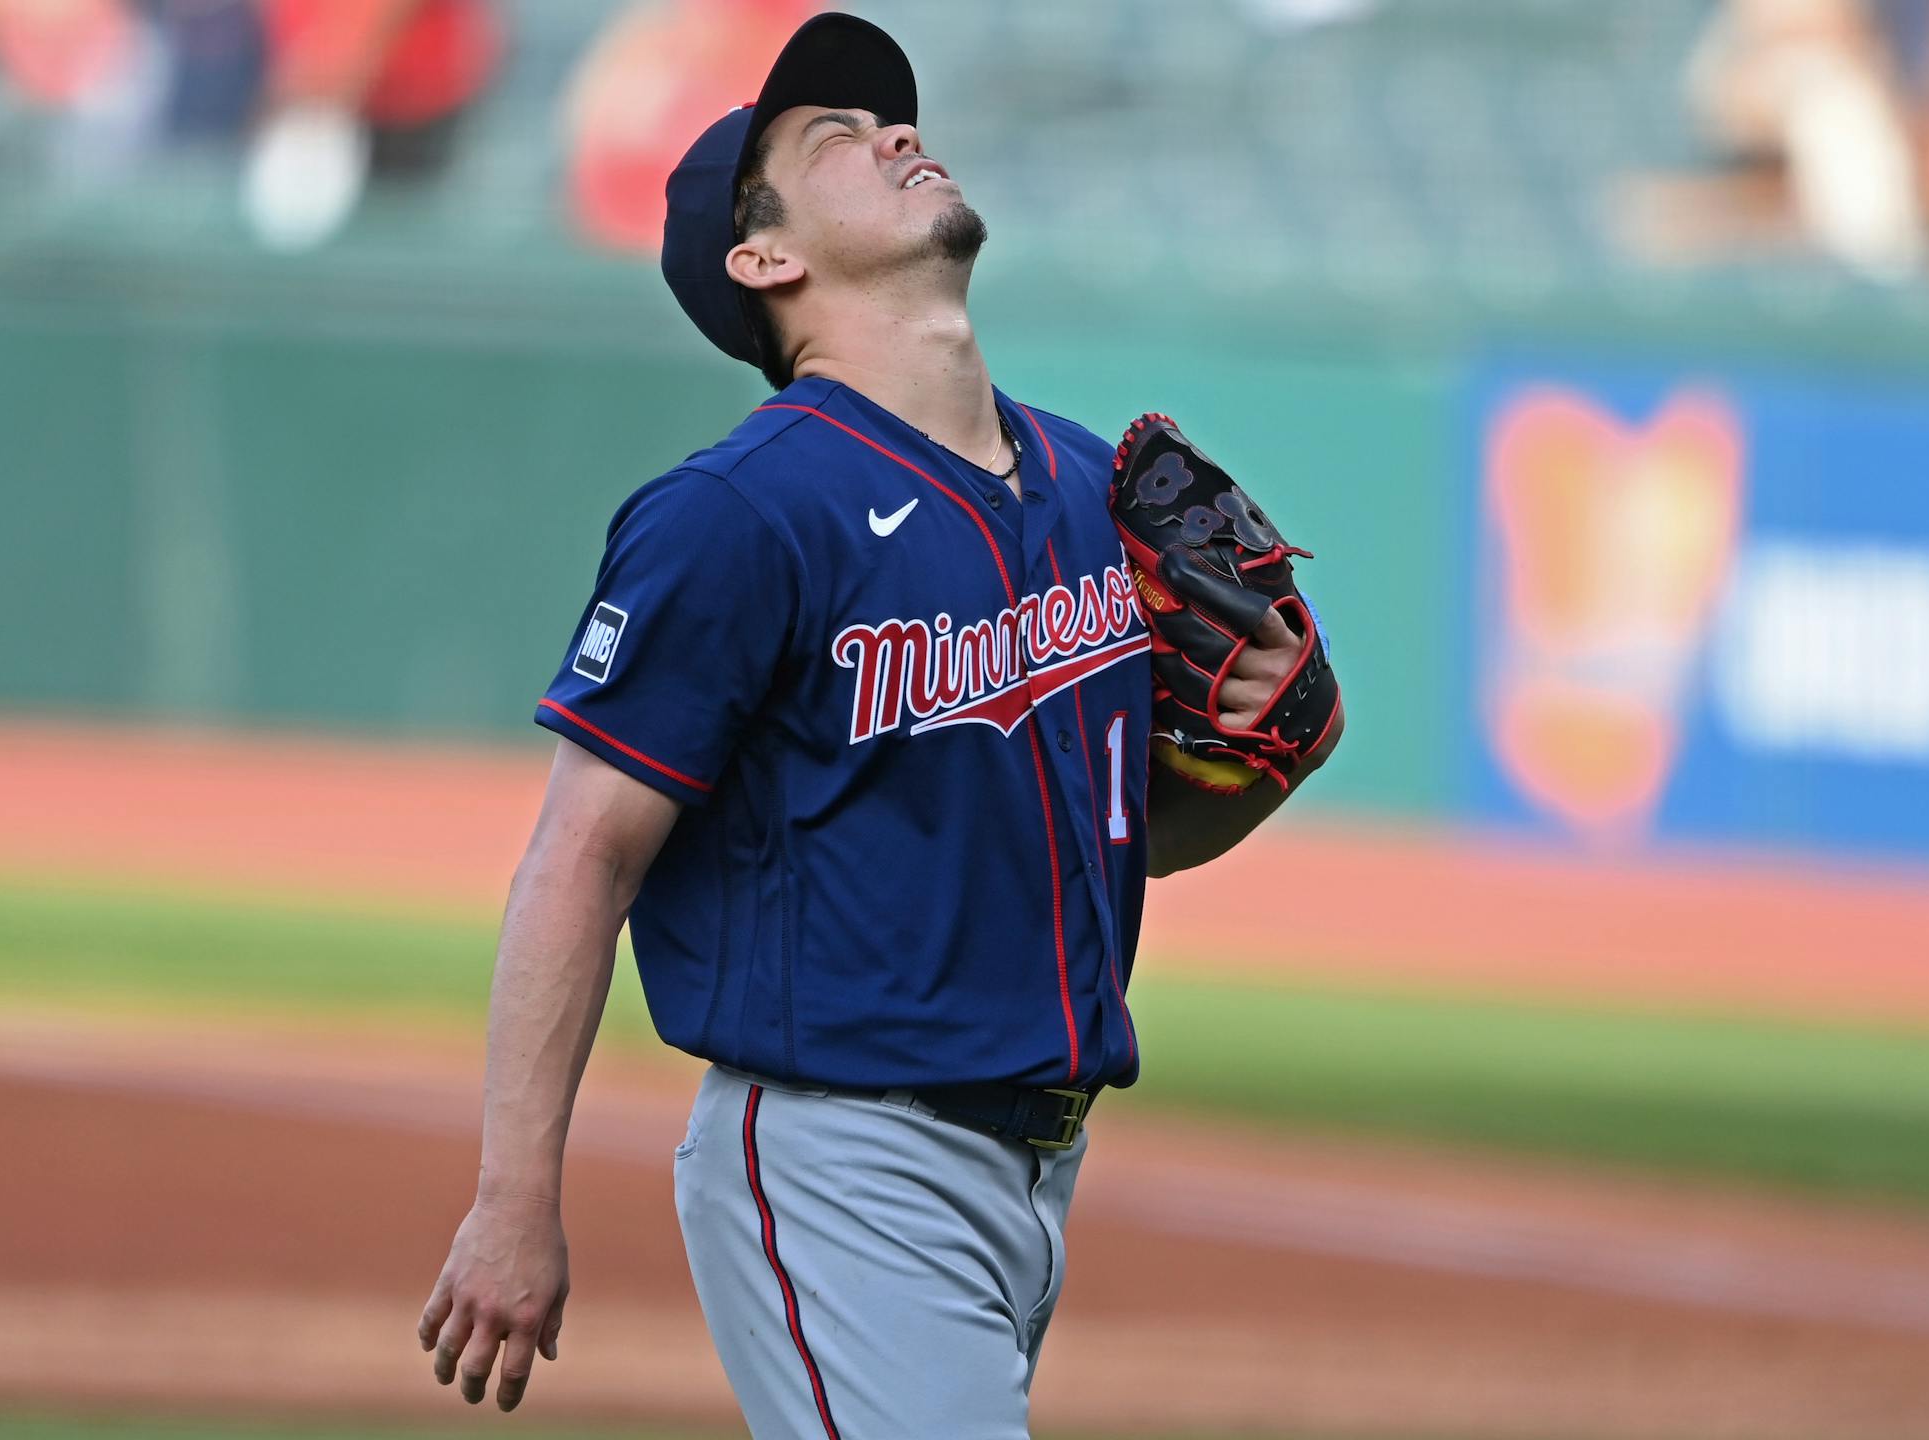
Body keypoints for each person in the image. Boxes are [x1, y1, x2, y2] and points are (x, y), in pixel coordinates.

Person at [415, 14, 1343, 1438]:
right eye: (835, 140)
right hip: (845, 1159)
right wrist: (509, 1201)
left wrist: (1270, 764)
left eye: (892, 121)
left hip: (1035, 1170)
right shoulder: (740, 513)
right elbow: (582, 853)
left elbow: (1115, 842)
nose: (897, 135)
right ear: (764, 258)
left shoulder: (1084, 484)